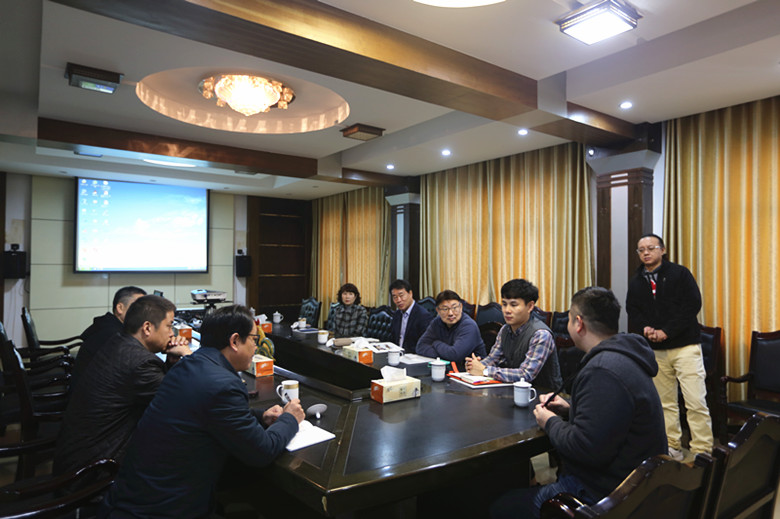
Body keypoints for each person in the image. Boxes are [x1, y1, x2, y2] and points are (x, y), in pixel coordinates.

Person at [99, 305, 304, 518]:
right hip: (163, 509)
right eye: (254, 339)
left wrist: (262, 416)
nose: (256, 347)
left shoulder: (189, 364)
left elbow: (208, 413)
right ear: (234, 341)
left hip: (132, 496)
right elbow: (262, 452)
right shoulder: (223, 385)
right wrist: (290, 418)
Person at [491, 287, 666, 519]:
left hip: (605, 496)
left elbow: (584, 448)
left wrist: (549, 420)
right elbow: (614, 415)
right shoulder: (622, 357)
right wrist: (570, 408)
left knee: (500, 506)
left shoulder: (603, 370)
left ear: (578, 323)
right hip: (639, 486)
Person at [53, 295, 191, 476]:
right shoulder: (140, 362)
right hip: (96, 470)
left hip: (77, 455)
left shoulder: (119, 342)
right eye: (169, 325)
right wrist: (189, 356)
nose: (172, 333)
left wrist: (172, 363)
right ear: (147, 328)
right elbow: (182, 402)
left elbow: (163, 390)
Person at [625, 233, 713, 459]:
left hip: (685, 346)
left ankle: (702, 449)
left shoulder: (679, 273)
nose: (646, 252)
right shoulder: (636, 281)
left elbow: (692, 304)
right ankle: (672, 445)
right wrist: (645, 328)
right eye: (641, 250)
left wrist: (667, 331)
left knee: (695, 401)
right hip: (656, 351)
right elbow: (632, 309)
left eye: (651, 248)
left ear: (662, 250)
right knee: (665, 404)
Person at [465, 279, 562, 388]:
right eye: (504, 304)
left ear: (530, 306)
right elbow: (493, 359)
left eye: (514, 305)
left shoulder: (541, 334)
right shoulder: (505, 329)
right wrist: (475, 365)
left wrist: (485, 370)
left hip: (544, 394)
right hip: (513, 391)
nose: (507, 310)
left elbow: (526, 375)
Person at [73, 286, 147, 384]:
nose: (144, 313)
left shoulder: (106, 324)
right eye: (138, 307)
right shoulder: (113, 335)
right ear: (120, 308)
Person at [416, 289, 486, 369]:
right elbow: (420, 347)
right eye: (445, 309)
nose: (450, 313)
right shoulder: (437, 322)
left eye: (454, 308)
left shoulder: (469, 326)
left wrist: (436, 343)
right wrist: (444, 357)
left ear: (461, 307)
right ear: (438, 310)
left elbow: (455, 355)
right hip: (446, 369)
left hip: (469, 372)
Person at [389, 279, 434, 353]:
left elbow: (425, 345)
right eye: (395, 297)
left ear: (410, 293)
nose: (398, 300)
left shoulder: (423, 316)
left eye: (401, 295)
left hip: (414, 356)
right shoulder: (397, 315)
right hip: (396, 355)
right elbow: (393, 340)